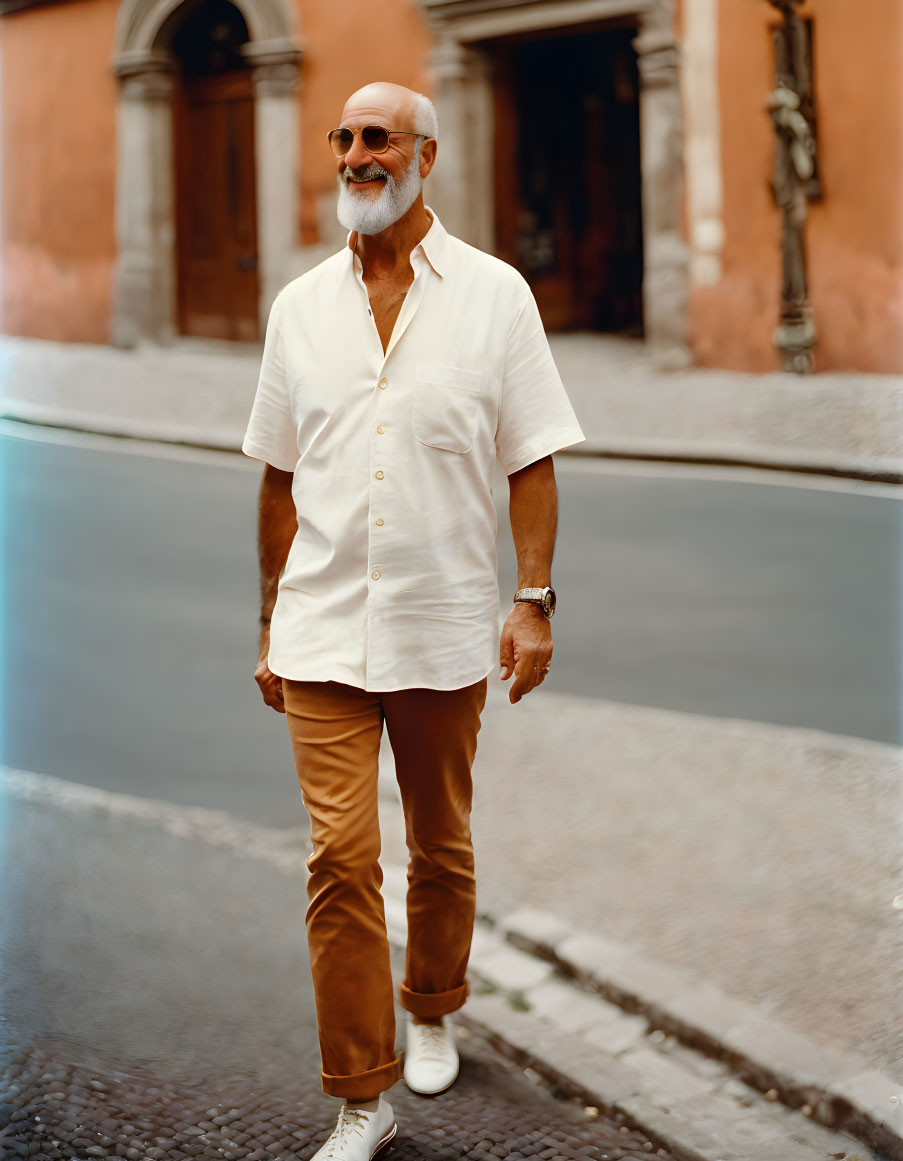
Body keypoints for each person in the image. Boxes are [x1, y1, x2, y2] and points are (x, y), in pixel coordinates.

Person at [241, 81, 586, 1161]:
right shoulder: (298, 308)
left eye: (378, 137)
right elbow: (277, 482)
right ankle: (360, 1094)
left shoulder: (494, 297)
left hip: (441, 626)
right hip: (321, 630)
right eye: (344, 138)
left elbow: (531, 459)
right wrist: (267, 621)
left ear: (426, 156)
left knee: (439, 846)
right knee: (340, 860)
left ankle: (432, 1002)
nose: (356, 154)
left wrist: (531, 603)